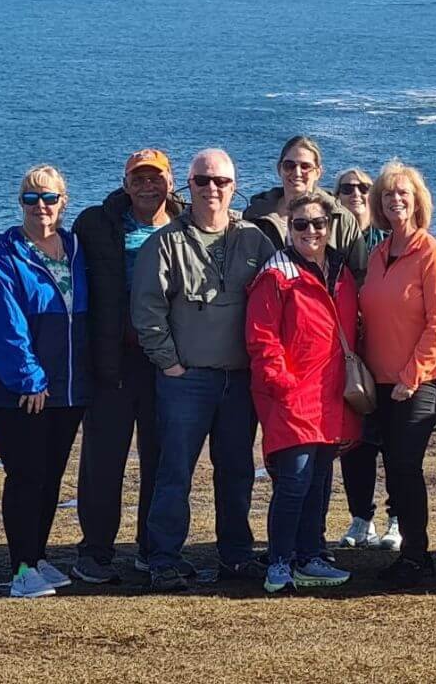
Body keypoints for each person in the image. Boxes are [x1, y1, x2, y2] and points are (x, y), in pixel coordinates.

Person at [132, 148, 276, 592]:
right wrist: (170, 364)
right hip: (186, 380)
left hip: (239, 380)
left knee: (236, 471)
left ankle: (235, 556)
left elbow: (279, 299)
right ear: (187, 186)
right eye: (202, 181)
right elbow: (147, 311)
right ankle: (164, 558)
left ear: (234, 186)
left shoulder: (256, 240)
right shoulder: (165, 242)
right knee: (174, 470)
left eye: (221, 181)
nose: (212, 189)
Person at [0, 164, 93, 598]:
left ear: (64, 202)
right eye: (31, 198)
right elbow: (2, 325)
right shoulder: (3, 255)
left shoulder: (77, 249)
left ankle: (39, 556)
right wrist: (29, 379)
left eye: (49, 198)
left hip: (67, 387)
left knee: (49, 475)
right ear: (21, 203)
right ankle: (21, 567)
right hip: (19, 391)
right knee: (25, 474)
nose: (40, 206)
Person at [69, 148, 180, 585]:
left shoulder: (186, 225)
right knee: (103, 462)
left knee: (162, 459)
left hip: (165, 363)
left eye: (155, 178)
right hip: (111, 364)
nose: (147, 186)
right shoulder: (95, 223)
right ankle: (94, 553)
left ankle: (152, 550)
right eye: (139, 178)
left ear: (171, 181)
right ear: (125, 181)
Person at [246, 193, 362, 593]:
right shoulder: (276, 275)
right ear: (288, 229)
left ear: (329, 225)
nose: (311, 231)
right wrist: (283, 384)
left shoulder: (341, 270)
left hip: (332, 394)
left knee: (320, 480)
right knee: (293, 481)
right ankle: (279, 560)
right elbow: (262, 339)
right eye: (300, 225)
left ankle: (311, 555)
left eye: (318, 223)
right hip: (293, 396)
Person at [357, 159, 436, 587]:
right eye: (387, 194)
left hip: (419, 383)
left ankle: (418, 555)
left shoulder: (432, 254)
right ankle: (409, 554)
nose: (395, 199)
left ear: (418, 201)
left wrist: (411, 375)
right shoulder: (379, 253)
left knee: (405, 467)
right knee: (393, 467)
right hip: (378, 382)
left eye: (404, 193)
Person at [331, 167, 399, 553]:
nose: (355, 193)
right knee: (354, 443)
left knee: (393, 442)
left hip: (384, 352)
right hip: (346, 355)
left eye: (363, 187)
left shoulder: (387, 241)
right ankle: (361, 518)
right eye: (346, 188)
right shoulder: (328, 238)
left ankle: (396, 517)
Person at [244, 136, 371, 278]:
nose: (297, 173)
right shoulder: (256, 218)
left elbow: (361, 275)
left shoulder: (341, 219)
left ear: (318, 172)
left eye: (305, 167)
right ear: (279, 169)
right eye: (289, 166)